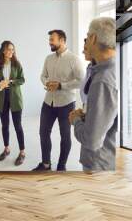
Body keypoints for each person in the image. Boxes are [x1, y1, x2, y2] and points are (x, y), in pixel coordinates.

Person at [69, 17, 118, 173]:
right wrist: (86, 116)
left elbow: (91, 141)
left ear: (93, 38)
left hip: (99, 165)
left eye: (87, 36)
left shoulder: (103, 81)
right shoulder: (100, 69)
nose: (84, 43)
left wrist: (75, 119)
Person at [32, 30, 84, 172]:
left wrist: (61, 85)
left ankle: (62, 166)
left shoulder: (74, 59)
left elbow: (82, 80)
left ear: (62, 40)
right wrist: (48, 82)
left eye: (52, 39)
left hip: (66, 104)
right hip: (48, 103)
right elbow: (43, 75)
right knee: (43, 132)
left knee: (65, 136)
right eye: (49, 39)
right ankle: (46, 164)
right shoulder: (48, 58)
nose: (50, 42)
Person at [0, 41, 26, 166]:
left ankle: (22, 152)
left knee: (18, 126)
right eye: (8, 49)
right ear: (3, 51)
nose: (11, 52)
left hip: (15, 98)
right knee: (5, 125)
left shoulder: (17, 64)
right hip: (3, 97)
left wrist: (11, 82)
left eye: (12, 49)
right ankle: (7, 149)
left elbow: (22, 79)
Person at [80, 38, 96, 107]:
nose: (83, 52)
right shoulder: (89, 67)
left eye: (85, 49)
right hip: (87, 108)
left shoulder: (99, 71)